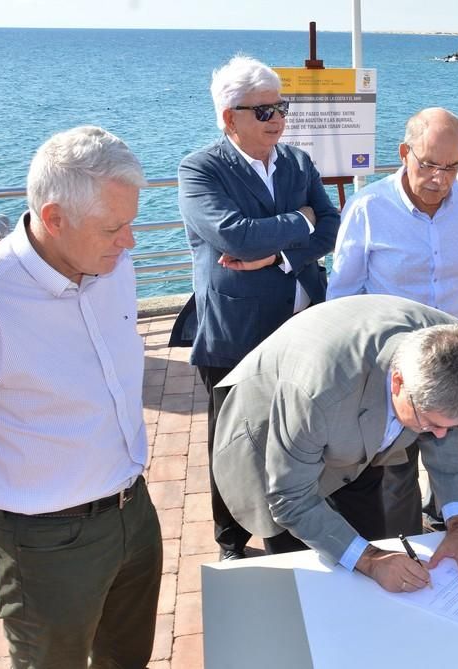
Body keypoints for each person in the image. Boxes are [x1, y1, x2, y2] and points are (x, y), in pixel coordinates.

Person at [0, 126, 162, 668]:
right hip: (44, 545)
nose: (130, 242)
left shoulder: (113, 265)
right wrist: (21, 500)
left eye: (132, 223)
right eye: (114, 227)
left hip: (133, 512)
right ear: (53, 218)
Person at [210, 294, 458, 591]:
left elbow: (446, 444)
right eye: (430, 423)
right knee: (304, 575)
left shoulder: (453, 349)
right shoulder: (319, 393)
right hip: (273, 424)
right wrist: (371, 561)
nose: (439, 435)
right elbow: (290, 499)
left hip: (352, 430)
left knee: (367, 541)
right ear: (399, 383)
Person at [178, 55, 340, 560]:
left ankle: (286, 529)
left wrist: (280, 255)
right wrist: (301, 217)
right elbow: (235, 236)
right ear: (230, 118)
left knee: (293, 432)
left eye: (281, 108)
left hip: (300, 324)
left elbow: (332, 226)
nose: (278, 120)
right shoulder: (200, 169)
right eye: (265, 112)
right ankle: (232, 539)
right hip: (236, 331)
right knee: (232, 441)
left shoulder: (296, 162)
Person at [327, 107, 458, 536]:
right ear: (404, 152)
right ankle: (405, 544)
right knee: (396, 473)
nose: (440, 178)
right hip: (395, 371)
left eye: (451, 167)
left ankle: (446, 524)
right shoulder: (369, 207)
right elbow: (343, 294)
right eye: (428, 164)